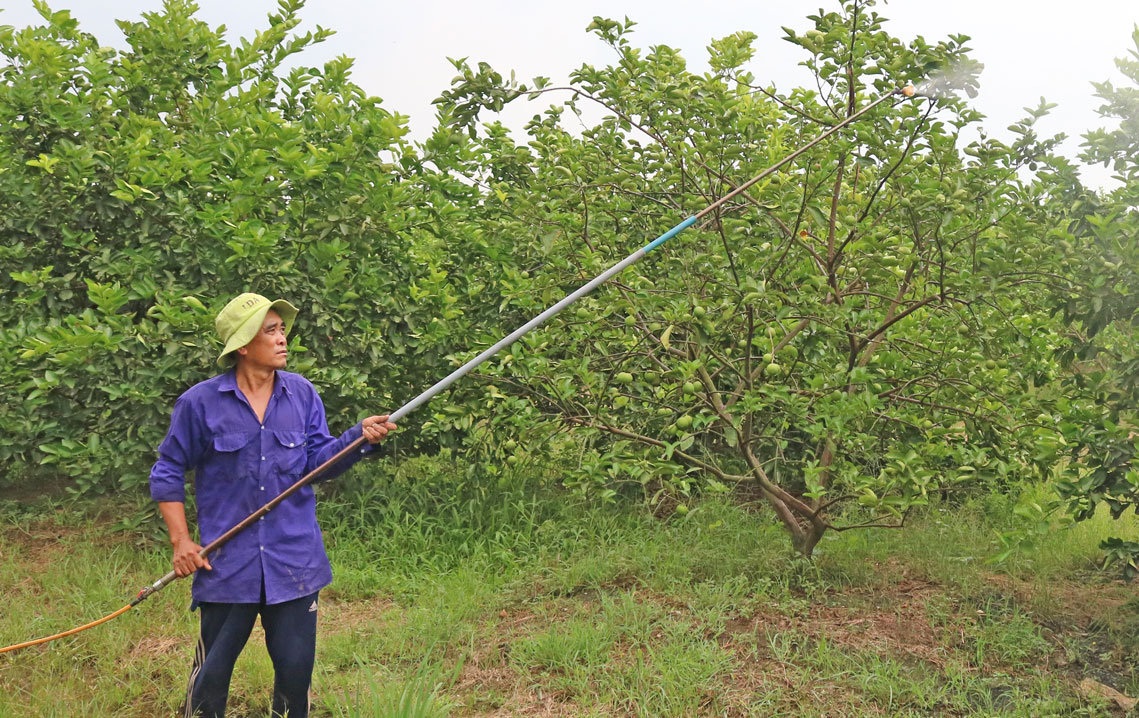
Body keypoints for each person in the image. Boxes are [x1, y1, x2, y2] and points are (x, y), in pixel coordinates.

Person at [149, 292, 396, 718]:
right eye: (271, 331)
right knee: (211, 674)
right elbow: (167, 470)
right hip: (227, 564)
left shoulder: (301, 394)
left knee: (296, 675)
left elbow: (318, 465)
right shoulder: (200, 403)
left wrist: (358, 438)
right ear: (243, 345)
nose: (283, 339)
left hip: (294, 561)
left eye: (283, 329)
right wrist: (181, 542)